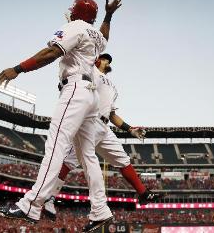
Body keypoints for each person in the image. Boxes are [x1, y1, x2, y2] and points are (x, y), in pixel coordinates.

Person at [0, 0, 122, 232]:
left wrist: (17, 69)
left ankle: (31, 204)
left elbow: (51, 53)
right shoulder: (95, 34)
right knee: (88, 156)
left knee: (56, 145)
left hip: (75, 89)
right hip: (91, 96)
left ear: (75, 12)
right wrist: (109, 15)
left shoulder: (74, 27)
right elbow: (104, 36)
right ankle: (100, 210)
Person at [43, 54, 163, 221]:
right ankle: (49, 197)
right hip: (90, 121)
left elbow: (112, 114)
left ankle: (143, 193)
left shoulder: (112, 86)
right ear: (97, 60)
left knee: (122, 159)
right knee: (71, 160)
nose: (108, 61)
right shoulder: (89, 71)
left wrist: (130, 130)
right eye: (106, 59)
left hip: (104, 126)